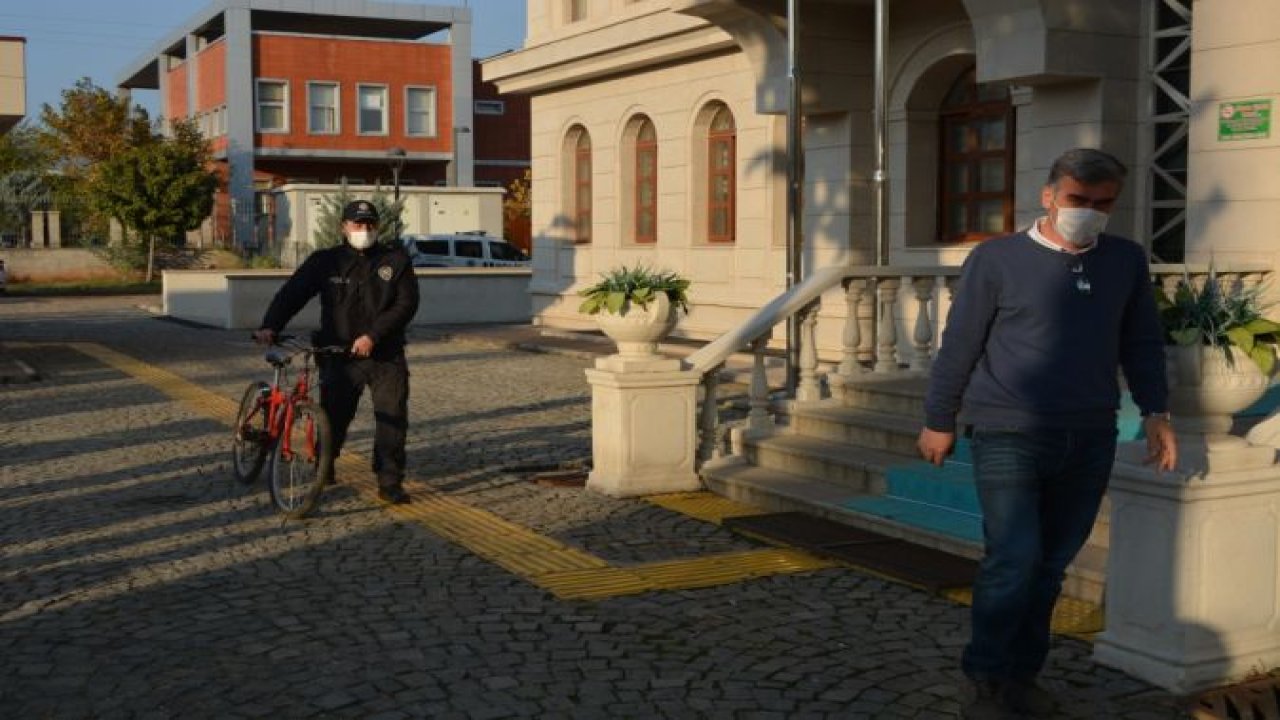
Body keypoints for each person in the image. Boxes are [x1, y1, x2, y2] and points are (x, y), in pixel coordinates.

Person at [916, 148, 1177, 719]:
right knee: (1013, 558)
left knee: (1051, 567)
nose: (1090, 211)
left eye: (1103, 203)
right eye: (1078, 200)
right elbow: (960, 344)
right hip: (1006, 429)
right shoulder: (997, 259)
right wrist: (939, 419)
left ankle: (1022, 677)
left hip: (1089, 433)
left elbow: (1140, 341)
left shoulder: (1125, 260)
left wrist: (1156, 412)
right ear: (1049, 196)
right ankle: (985, 678)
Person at [254, 199, 421, 504]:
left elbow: (406, 304)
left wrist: (373, 335)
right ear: (344, 226)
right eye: (357, 224)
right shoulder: (325, 261)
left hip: (386, 356)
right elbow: (293, 293)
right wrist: (270, 325)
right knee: (334, 418)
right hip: (339, 355)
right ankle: (324, 466)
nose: (364, 230)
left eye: (370, 224)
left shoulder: (395, 260)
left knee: (392, 418)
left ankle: (390, 480)